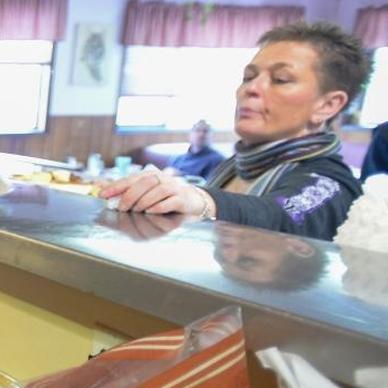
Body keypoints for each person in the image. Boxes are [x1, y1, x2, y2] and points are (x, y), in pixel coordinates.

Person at [101, 21, 372, 241]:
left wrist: (199, 199)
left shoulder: (330, 183)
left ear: (328, 104)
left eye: (280, 80)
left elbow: (279, 215)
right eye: (249, 77)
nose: (251, 89)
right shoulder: (233, 166)